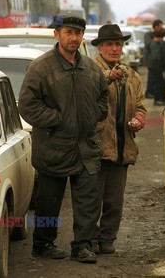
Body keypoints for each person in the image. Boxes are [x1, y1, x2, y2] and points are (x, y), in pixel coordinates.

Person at [18, 15, 108, 264]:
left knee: (88, 201)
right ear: (56, 34)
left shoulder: (91, 68)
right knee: (49, 202)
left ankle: (83, 246)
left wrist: (96, 114)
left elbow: (103, 96)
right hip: (53, 146)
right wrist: (58, 119)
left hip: (86, 147)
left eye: (78, 33)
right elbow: (27, 106)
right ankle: (43, 244)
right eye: (69, 32)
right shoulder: (40, 67)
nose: (74, 38)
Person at [91, 24, 147, 254]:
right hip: (96, 147)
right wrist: (107, 77)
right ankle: (87, 241)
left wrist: (139, 119)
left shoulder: (131, 75)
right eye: (110, 44)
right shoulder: (90, 70)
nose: (115, 49)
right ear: (100, 48)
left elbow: (141, 106)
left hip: (123, 146)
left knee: (115, 201)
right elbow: (89, 91)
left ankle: (107, 240)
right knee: (91, 200)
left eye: (118, 44)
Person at [143, 19, 164, 98]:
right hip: (150, 59)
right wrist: (154, 41)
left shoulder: (160, 33)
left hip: (158, 60)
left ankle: (154, 92)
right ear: (156, 26)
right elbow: (147, 44)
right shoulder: (148, 34)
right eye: (160, 26)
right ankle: (149, 92)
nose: (161, 28)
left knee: (157, 77)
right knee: (151, 77)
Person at [149, 30, 165, 106]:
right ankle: (157, 99)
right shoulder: (154, 44)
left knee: (161, 83)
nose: (162, 40)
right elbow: (155, 56)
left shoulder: (157, 43)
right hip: (156, 66)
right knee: (159, 83)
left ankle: (162, 98)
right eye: (161, 38)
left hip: (158, 66)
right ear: (158, 38)